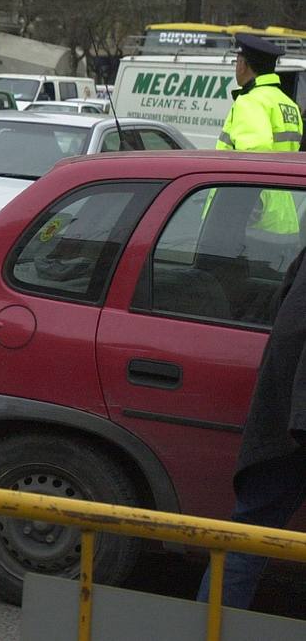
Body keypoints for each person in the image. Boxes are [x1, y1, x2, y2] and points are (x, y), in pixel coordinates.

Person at [197, 247, 306, 609]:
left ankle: (208, 631)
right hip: (289, 411)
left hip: (285, 414)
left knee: (247, 533)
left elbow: (284, 313)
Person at [215, 34, 302, 237]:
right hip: (283, 217)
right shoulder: (287, 103)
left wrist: (240, 215)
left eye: (237, 61)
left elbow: (253, 160)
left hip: (252, 220)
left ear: (243, 64)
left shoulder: (251, 101)